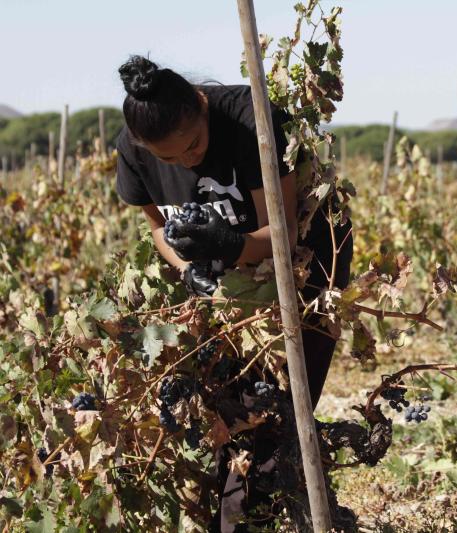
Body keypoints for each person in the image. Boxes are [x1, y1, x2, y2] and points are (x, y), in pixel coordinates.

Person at [115, 55, 352, 531]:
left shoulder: (249, 120)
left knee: (277, 406)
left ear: (201, 106)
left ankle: (278, 514)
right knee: (228, 407)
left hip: (307, 261)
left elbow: (281, 236)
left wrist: (226, 243)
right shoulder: (133, 149)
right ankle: (251, 513)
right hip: (232, 274)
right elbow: (159, 228)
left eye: (195, 146)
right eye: (170, 159)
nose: (187, 161)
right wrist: (188, 270)